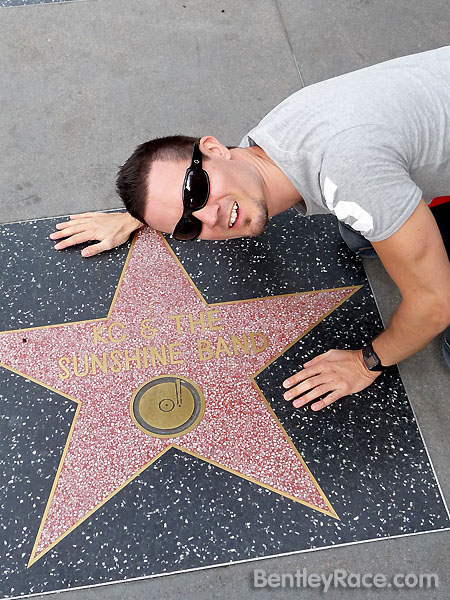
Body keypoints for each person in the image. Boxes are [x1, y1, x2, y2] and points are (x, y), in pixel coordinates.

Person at [50, 47, 450, 411]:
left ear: (214, 148)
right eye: (187, 225)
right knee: (362, 229)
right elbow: (196, 195)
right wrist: (141, 214)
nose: (209, 217)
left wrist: (367, 362)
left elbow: (435, 304)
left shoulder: (348, 172)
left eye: (194, 192)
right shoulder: (262, 148)